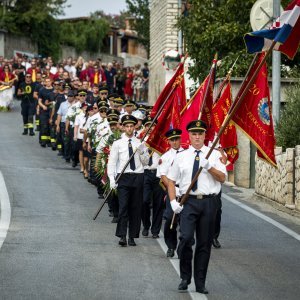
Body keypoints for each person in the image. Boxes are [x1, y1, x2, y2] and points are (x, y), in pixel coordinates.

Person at [167, 120, 226, 294]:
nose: (197, 137)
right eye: (194, 134)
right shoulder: (181, 156)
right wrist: (173, 202)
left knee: (204, 243)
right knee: (185, 239)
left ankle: (200, 282)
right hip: (189, 202)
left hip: (209, 202)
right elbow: (171, 181)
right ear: (189, 136)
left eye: (200, 133)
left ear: (205, 135)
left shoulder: (214, 154)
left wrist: (209, 167)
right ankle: (185, 277)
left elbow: (222, 178)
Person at [107, 115, 149, 247]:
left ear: (135, 127)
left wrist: (143, 152)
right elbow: (112, 162)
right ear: (123, 127)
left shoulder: (140, 143)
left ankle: (132, 236)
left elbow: (146, 162)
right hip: (123, 176)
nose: (129, 128)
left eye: (132, 126)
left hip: (137, 176)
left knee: (135, 208)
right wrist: (111, 179)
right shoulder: (117, 143)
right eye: (127, 126)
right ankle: (122, 235)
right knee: (123, 206)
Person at [157, 128, 184, 257]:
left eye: (177, 139)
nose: (175, 142)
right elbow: (163, 176)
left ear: (180, 139)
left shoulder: (187, 154)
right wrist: (173, 189)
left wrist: (183, 189)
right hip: (172, 190)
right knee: (170, 220)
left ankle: (183, 246)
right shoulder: (165, 157)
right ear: (168, 141)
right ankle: (171, 246)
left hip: (186, 191)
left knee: (184, 220)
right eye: (172, 140)